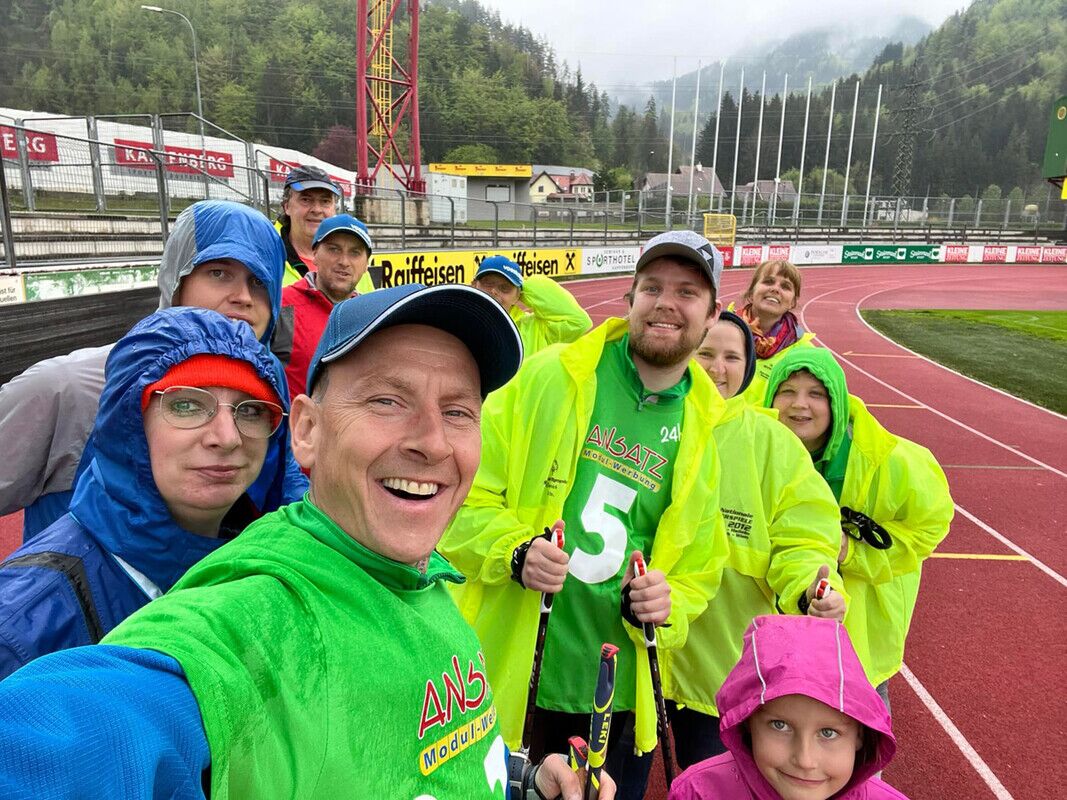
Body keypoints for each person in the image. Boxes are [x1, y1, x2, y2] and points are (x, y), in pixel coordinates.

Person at [0, 285, 614, 800]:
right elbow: (85, 733)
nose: (433, 442)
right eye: (387, 400)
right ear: (308, 432)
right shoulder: (265, 620)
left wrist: (521, 779)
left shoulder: (410, 570)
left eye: (458, 411)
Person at [440, 230, 731, 799]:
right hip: (513, 675)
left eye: (687, 292)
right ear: (631, 298)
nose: (666, 303)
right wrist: (515, 552)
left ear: (712, 314)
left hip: (617, 692)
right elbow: (458, 494)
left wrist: (667, 604)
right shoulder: (551, 376)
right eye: (653, 287)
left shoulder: (709, 425)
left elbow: (700, 568)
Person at [0, 307, 292, 679]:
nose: (227, 437)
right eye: (186, 404)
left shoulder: (266, 567)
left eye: (250, 410)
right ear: (128, 425)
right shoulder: (21, 629)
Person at [0, 200, 307, 541]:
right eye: (219, 273)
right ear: (176, 279)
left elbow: (285, 486)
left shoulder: (268, 386)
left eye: (260, 281)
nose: (243, 297)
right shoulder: (68, 388)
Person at [664, 313, 847, 771]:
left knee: (712, 784)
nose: (716, 368)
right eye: (705, 353)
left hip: (718, 675)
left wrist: (810, 587)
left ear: (749, 368)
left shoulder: (772, 444)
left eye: (732, 357)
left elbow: (803, 537)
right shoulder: (646, 422)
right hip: (634, 657)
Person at [764, 347, 954, 706]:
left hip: (861, 634)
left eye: (816, 393)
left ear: (836, 401)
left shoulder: (891, 461)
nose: (799, 404)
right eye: (787, 391)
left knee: (860, 728)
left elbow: (930, 524)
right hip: (779, 624)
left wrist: (852, 551)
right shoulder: (759, 452)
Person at [667, 615, 907, 800]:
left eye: (828, 732)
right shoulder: (696, 793)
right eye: (779, 725)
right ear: (748, 722)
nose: (805, 760)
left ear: (860, 735)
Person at [282, 214, 374, 398]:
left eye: (355, 253)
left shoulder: (371, 317)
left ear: (366, 264)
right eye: (334, 249)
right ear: (315, 254)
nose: (344, 262)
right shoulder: (282, 305)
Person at [275, 164, 375, 295]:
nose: (317, 210)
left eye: (325, 201)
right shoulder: (266, 254)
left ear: (335, 209)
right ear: (286, 206)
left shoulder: (355, 258)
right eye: (306, 199)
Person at [733, 260, 816, 405]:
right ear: (751, 293)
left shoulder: (804, 354)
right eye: (768, 282)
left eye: (785, 286)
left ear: (792, 302)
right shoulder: (719, 329)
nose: (776, 289)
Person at [471, 255, 591, 354]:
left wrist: (527, 287)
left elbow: (579, 322)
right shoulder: (461, 322)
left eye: (505, 288)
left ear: (518, 295)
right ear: (474, 285)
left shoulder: (535, 330)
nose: (494, 291)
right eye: (488, 283)